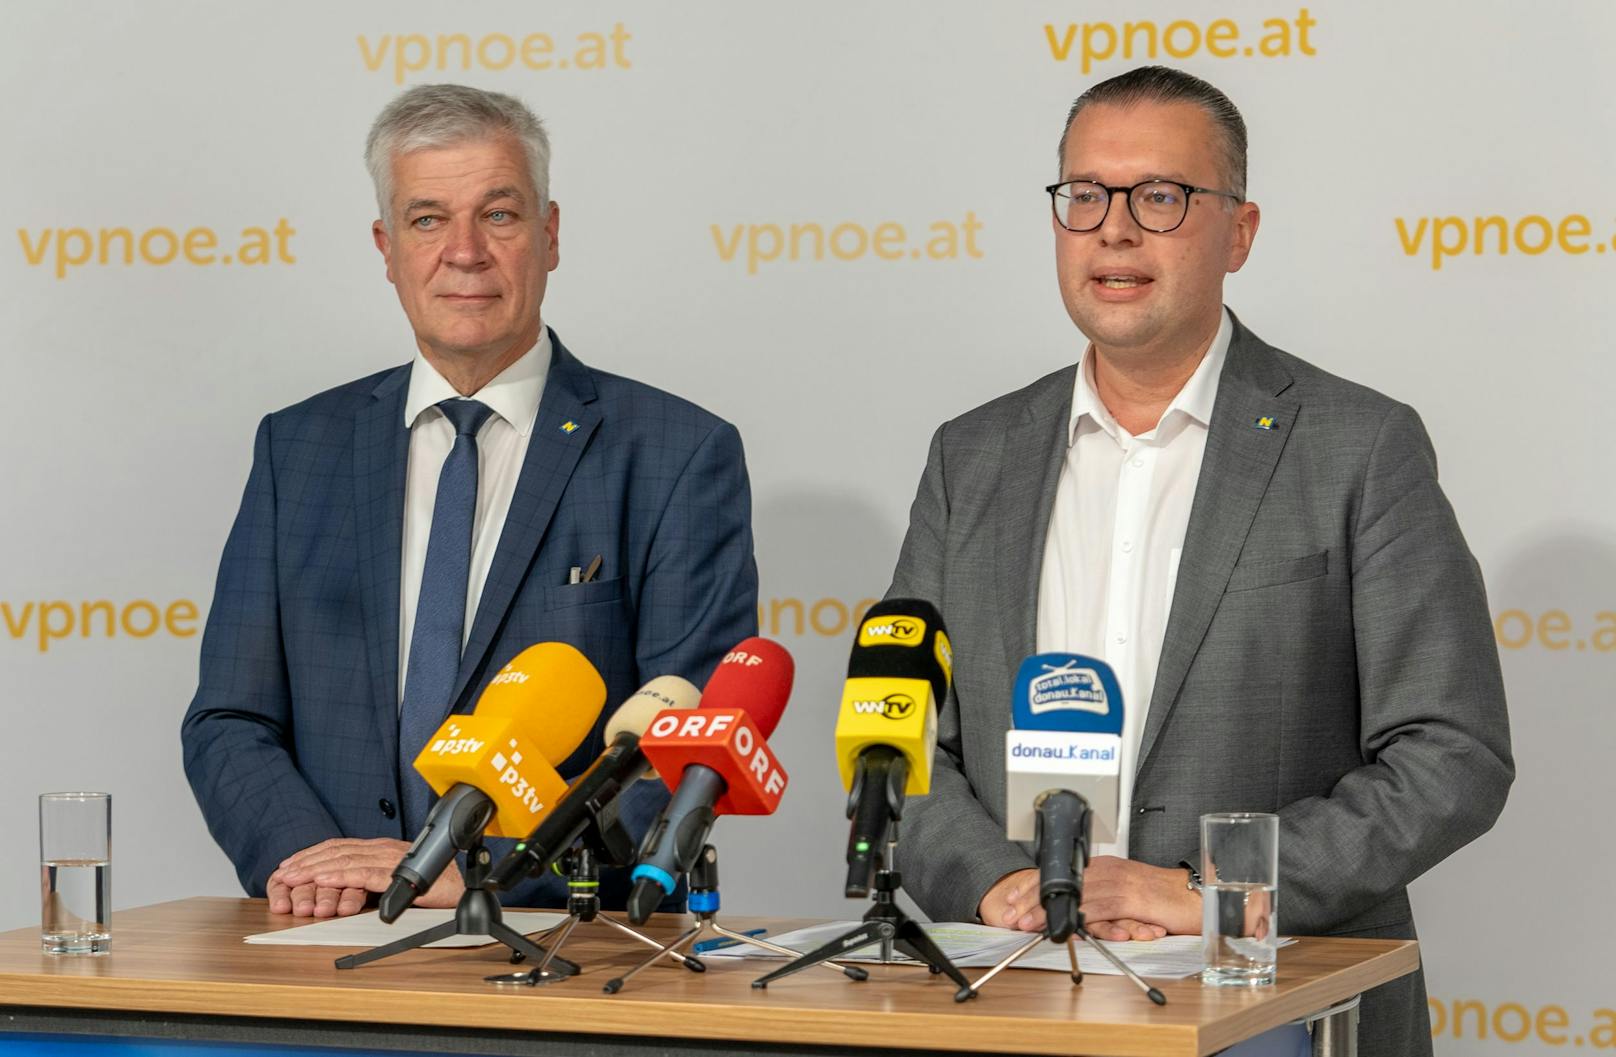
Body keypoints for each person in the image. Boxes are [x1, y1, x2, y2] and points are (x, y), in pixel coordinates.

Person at [886, 66, 1511, 1056]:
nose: (1113, 230)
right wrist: (997, 883)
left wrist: (1200, 891)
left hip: (1273, 1008)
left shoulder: (1356, 446)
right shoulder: (971, 457)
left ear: (1238, 232)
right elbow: (902, 732)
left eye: (1159, 197)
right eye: (1083, 195)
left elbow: (1448, 755)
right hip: (1015, 998)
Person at [181, 84, 757, 919]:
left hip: (565, 944)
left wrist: (484, 871)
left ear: (549, 234)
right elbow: (231, 717)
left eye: (498, 215)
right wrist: (320, 866)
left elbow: (683, 747)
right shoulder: (295, 448)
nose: (464, 251)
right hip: (327, 940)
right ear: (386, 247)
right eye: (426, 219)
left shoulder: (675, 453)